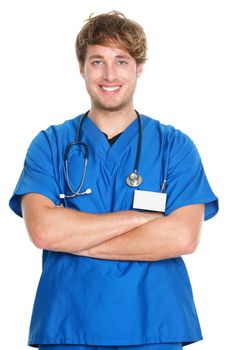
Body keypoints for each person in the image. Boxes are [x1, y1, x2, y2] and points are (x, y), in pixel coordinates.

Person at [9, 10, 218, 350]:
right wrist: (138, 219)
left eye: (121, 61)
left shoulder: (175, 146)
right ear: (81, 68)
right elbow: (45, 231)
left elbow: (182, 236)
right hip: (69, 321)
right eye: (97, 61)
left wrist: (75, 238)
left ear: (139, 68)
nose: (109, 74)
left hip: (154, 323)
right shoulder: (50, 144)